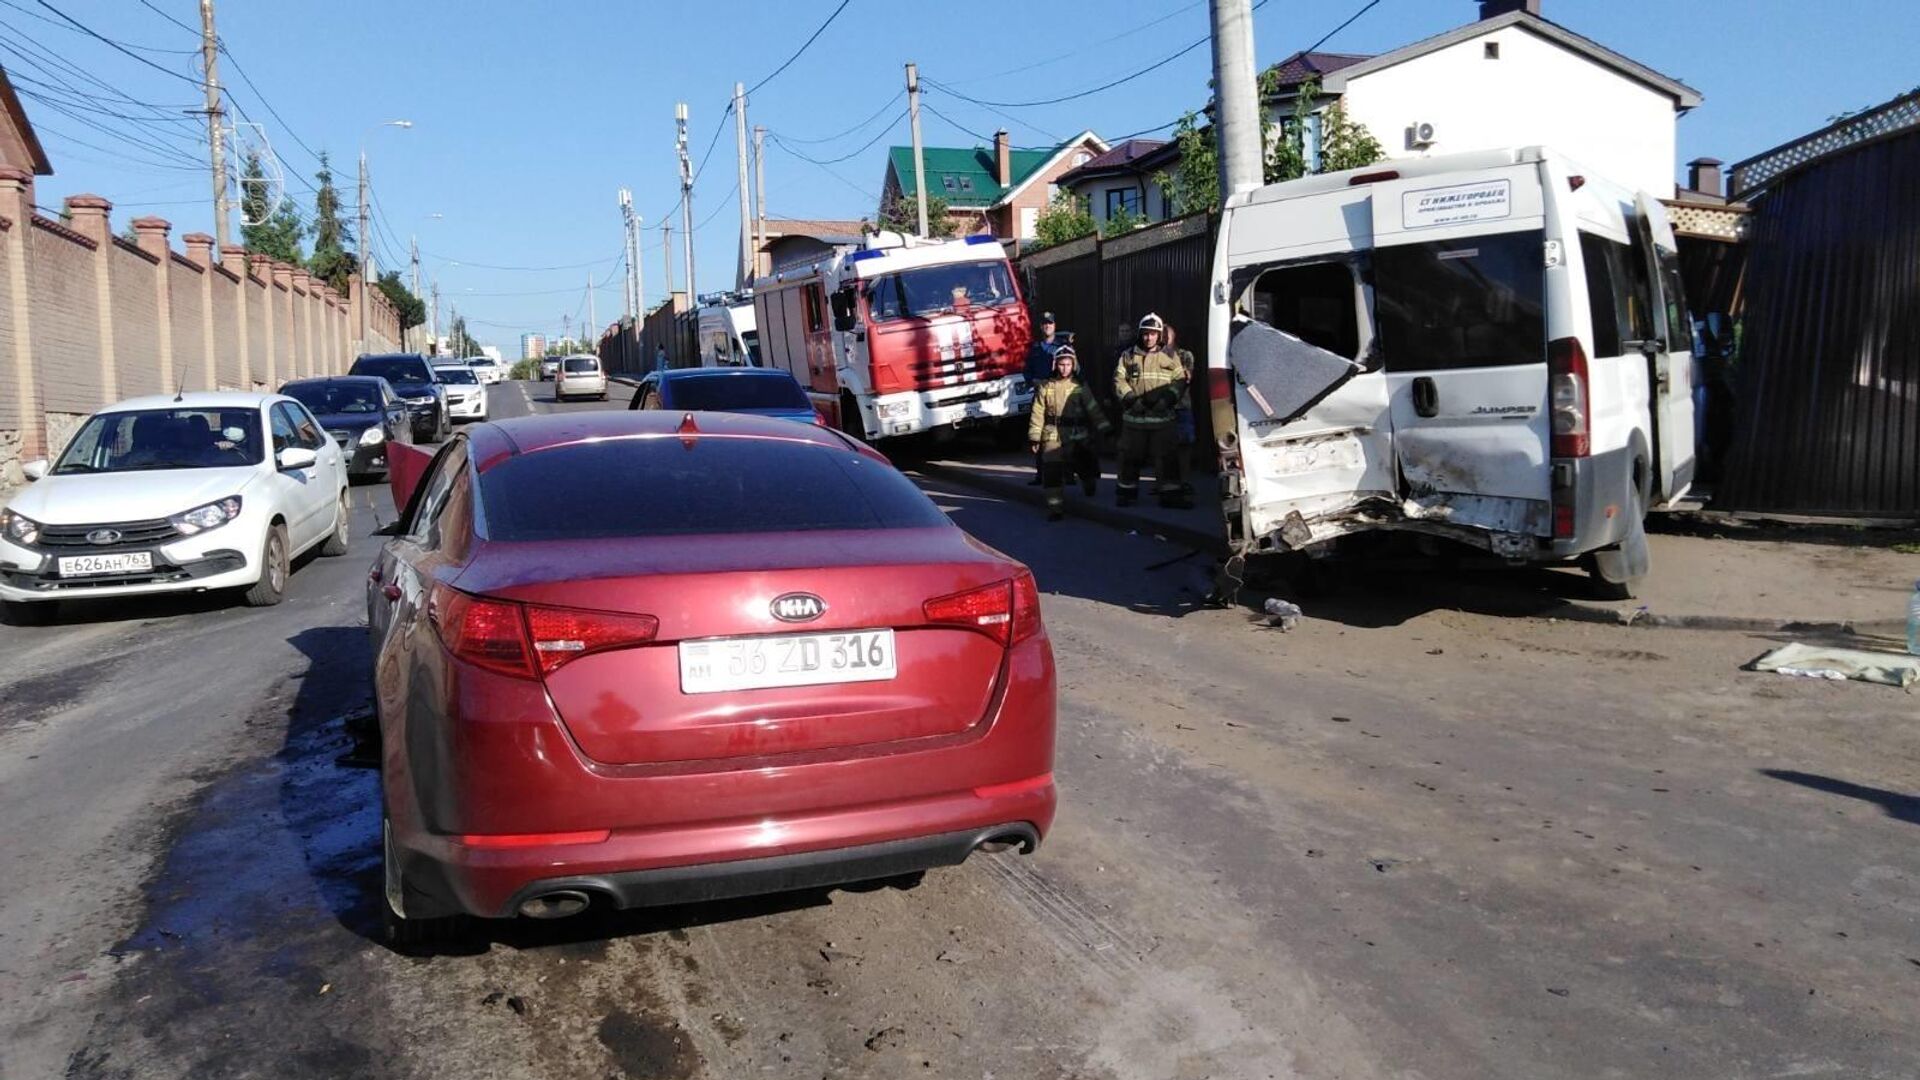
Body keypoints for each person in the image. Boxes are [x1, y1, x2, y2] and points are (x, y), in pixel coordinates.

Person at [1113, 312, 1191, 508]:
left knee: (1167, 459)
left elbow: (1180, 381)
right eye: (1146, 334)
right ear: (1140, 334)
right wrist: (1131, 400)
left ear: (1159, 335)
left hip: (1162, 420)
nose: (1149, 338)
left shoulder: (1171, 356)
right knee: (1129, 458)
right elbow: (1118, 380)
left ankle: (1171, 496)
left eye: (1153, 334)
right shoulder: (1128, 356)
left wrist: (1167, 400)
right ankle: (1126, 495)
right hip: (1134, 420)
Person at [1027, 345, 1111, 521]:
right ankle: (1055, 507)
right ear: (1055, 365)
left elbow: (1093, 409)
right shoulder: (1045, 386)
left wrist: (1105, 429)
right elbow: (1037, 412)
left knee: (1085, 464)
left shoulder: (1079, 387)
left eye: (1068, 364)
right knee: (1052, 470)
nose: (1064, 368)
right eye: (1061, 364)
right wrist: (1035, 438)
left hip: (1077, 434)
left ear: (1074, 365)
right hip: (1052, 434)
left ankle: (1089, 482)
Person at [1024, 312, 1061, 485]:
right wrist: (1033, 380)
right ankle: (1040, 474)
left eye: (1050, 323)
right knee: (1037, 435)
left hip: (1058, 398)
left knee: (1060, 436)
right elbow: (1027, 371)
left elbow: (1074, 370)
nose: (1047, 326)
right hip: (1039, 399)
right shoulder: (1035, 349)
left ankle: (1066, 475)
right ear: (1041, 327)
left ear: (1055, 326)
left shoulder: (1061, 348)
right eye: (1044, 324)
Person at [1163, 321, 1198, 485]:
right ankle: (1162, 482)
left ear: (1173, 336)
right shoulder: (1152, 357)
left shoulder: (1185, 355)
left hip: (1182, 406)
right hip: (1162, 408)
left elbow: (1187, 378)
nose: (1163, 339)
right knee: (1162, 448)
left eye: (1166, 335)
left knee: (1184, 445)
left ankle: (1185, 481)